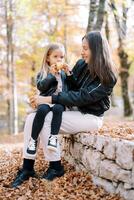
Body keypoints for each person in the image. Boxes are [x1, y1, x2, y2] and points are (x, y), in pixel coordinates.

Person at [11, 31, 117, 188]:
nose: (82, 52)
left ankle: (55, 167)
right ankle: (27, 167)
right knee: (32, 118)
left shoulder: (108, 77)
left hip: (90, 117)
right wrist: (68, 73)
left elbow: (81, 97)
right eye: (82, 48)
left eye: (85, 48)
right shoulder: (82, 64)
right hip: (74, 110)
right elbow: (71, 87)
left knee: (47, 119)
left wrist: (47, 99)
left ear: (97, 49)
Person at [26, 43, 69, 156]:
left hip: (59, 101)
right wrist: (51, 75)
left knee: (59, 109)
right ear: (48, 59)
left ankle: (53, 138)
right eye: (55, 57)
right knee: (42, 111)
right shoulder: (43, 73)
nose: (59, 59)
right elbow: (41, 87)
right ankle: (33, 140)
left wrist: (69, 73)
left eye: (61, 57)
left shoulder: (63, 74)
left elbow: (71, 86)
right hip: (45, 100)